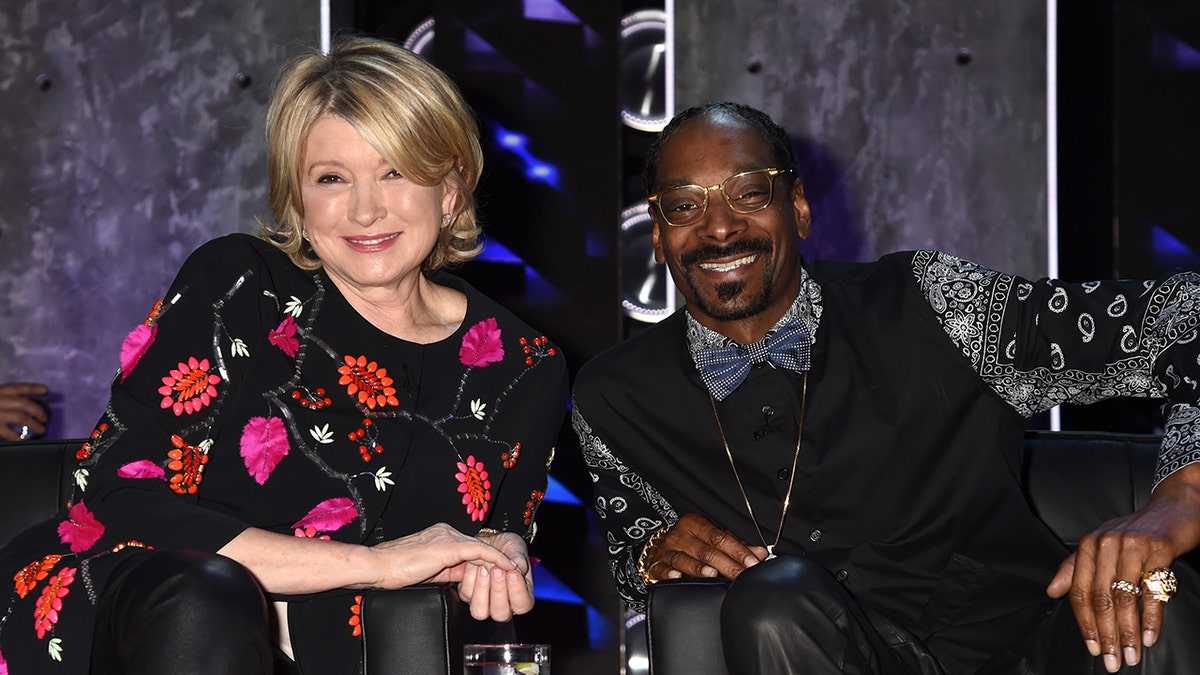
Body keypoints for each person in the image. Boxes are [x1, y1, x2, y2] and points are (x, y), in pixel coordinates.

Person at [0, 37, 568, 674]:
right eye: (331, 178)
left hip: (337, 656)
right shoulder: (243, 286)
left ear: (451, 188)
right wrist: (373, 567)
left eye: (395, 172)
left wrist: (499, 554)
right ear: (297, 197)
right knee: (205, 599)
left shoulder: (524, 365)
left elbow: (482, 563)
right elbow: (117, 493)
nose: (364, 209)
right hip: (128, 621)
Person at [572, 101, 1200, 674]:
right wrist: (655, 552)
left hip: (1036, 648)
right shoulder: (614, 398)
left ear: (798, 207)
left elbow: (1188, 317)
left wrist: (1181, 497)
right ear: (656, 232)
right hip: (809, 650)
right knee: (771, 601)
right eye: (684, 204)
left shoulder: (934, 303)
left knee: (1155, 598)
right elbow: (637, 545)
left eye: (748, 193)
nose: (717, 227)